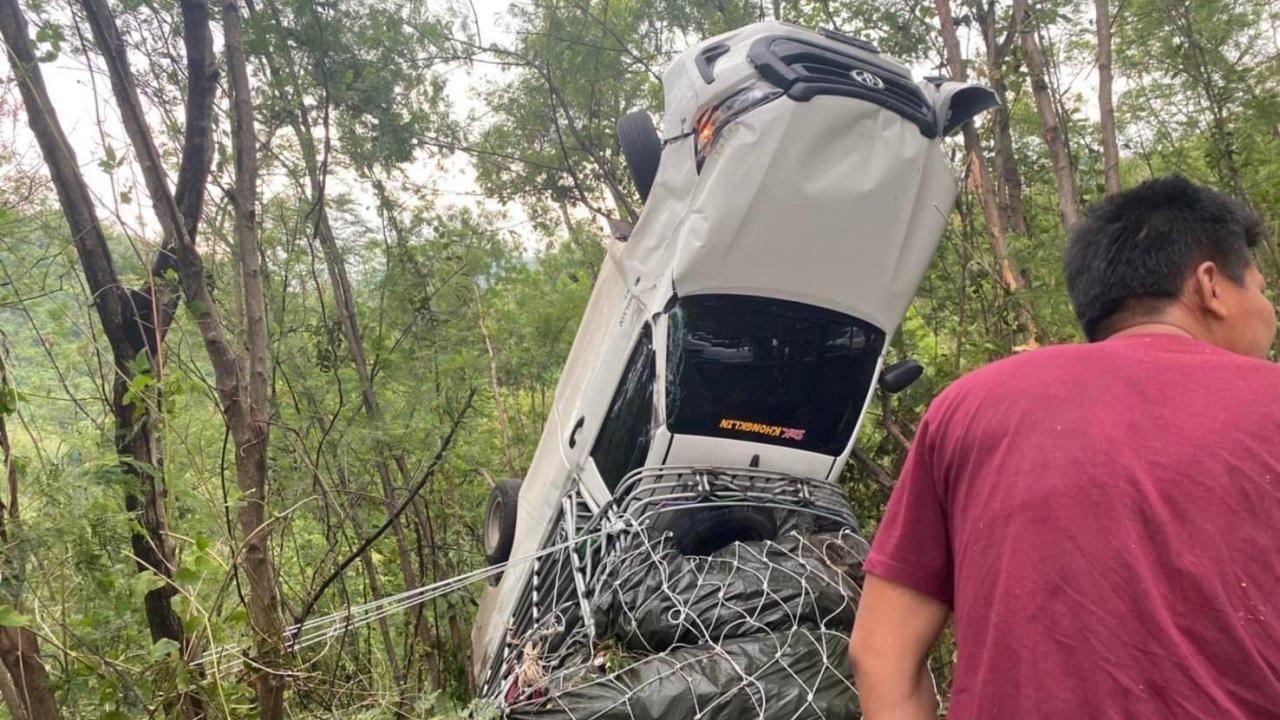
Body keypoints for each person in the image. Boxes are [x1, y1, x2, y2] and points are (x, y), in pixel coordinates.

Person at [848, 175, 1280, 719]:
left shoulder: (968, 406)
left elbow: (880, 654)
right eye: (1261, 289)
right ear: (1211, 286)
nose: (1268, 310)